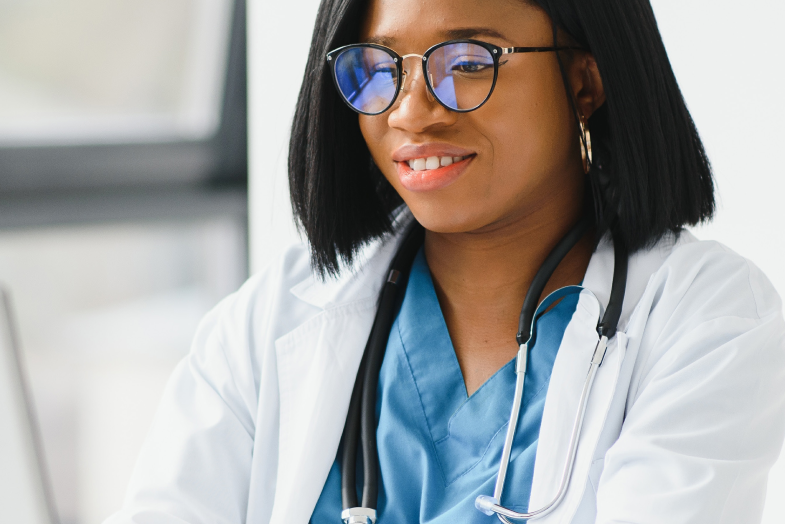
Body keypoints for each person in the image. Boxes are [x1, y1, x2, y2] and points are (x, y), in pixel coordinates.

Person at [104, 0, 785, 523]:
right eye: (376, 68)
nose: (411, 111)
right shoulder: (267, 323)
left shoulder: (706, 319)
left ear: (584, 80)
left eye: (467, 62)